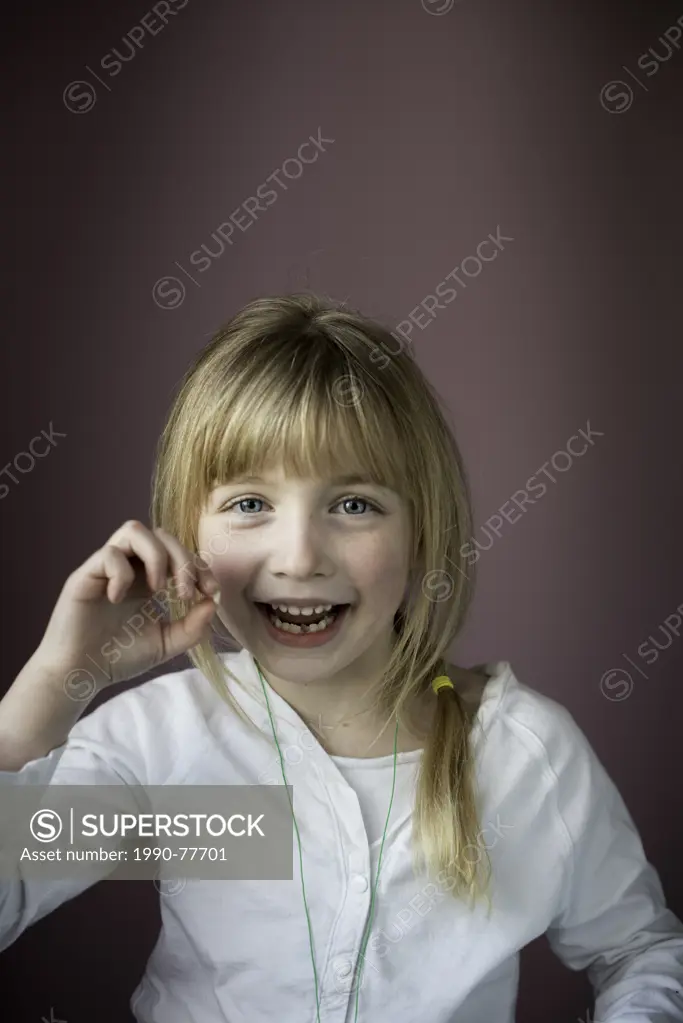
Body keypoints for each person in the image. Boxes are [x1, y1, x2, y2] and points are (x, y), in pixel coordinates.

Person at [0, 292, 681, 1023]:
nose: (297, 558)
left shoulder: (525, 754)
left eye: (353, 504)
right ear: (184, 533)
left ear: (423, 532)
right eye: (249, 503)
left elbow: (637, 948)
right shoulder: (160, 742)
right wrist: (53, 683)